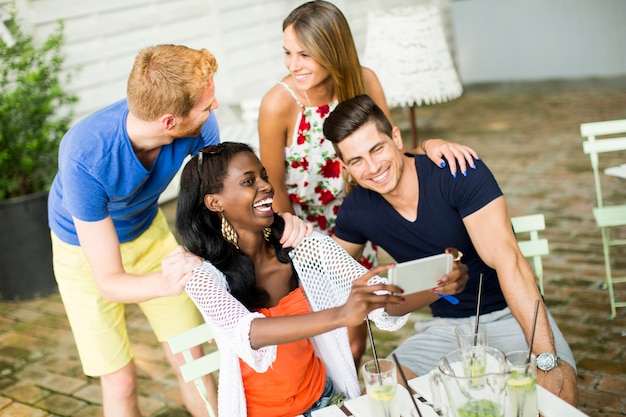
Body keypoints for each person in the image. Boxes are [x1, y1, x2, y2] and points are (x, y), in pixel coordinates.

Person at [47, 44, 311, 417]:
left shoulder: (200, 126)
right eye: (206, 104)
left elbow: (236, 193)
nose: (214, 107)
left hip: (146, 230)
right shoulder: (84, 154)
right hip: (80, 250)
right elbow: (108, 280)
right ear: (170, 121)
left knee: (191, 356)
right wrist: (173, 281)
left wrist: (280, 223)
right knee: (119, 379)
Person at [175, 141, 468, 416]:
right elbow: (248, 333)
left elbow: (378, 297)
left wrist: (439, 286)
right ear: (215, 202)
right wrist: (342, 314)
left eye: (264, 176)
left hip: (325, 401)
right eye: (249, 181)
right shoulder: (203, 276)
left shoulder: (305, 247)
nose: (266, 186)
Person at [258, 0, 478, 365]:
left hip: (359, 220)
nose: (292, 65)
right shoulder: (277, 104)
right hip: (303, 236)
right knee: (317, 343)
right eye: (288, 53)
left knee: (355, 340)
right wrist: (298, 254)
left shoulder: (364, 81)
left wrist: (429, 146)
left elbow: (392, 149)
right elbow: (274, 188)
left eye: (305, 55)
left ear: (332, 50)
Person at [322, 94, 578, 406]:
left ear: (396, 138)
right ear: (344, 165)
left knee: (556, 398)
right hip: (442, 328)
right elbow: (324, 279)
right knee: (381, 402)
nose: (373, 168)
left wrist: (545, 357)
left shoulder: (458, 171)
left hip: (510, 315)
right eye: (357, 160)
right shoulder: (357, 210)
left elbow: (508, 260)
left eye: (377, 149)